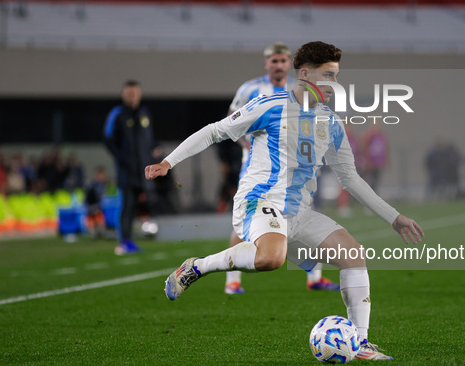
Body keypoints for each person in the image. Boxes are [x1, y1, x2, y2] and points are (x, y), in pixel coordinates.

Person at [145, 41, 425, 361]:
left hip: (299, 212)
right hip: (259, 200)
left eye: (336, 76)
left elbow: (351, 179)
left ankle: (359, 344)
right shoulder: (270, 105)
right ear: (304, 74)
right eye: (328, 75)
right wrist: (168, 162)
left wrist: (394, 217)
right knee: (271, 259)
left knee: (354, 256)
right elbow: (215, 131)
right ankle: (197, 267)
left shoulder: (331, 124)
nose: (335, 84)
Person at [224, 41, 339, 294]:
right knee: (243, 226)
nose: (278, 65)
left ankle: (315, 277)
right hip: (258, 170)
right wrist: (247, 144)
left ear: (290, 64)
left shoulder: (297, 89)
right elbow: (232, 122)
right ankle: (232, 281)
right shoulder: (250, 89)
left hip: (296, 168)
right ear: (266, 63)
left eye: (283, 61)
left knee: (308, 213)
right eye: (273, 61)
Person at [103, 80, 158, 255]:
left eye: (135, 93)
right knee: (126, 205)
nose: (132, 96)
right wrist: (122, 159)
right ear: (123, 95)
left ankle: (130, 239)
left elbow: (150, 139)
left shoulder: (144, 114)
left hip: (143, 171)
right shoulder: (118, 114)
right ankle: (123, 242)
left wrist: (155, 149)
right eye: (129, 93)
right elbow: (107, 138)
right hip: (126, 171)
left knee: (136, 205)